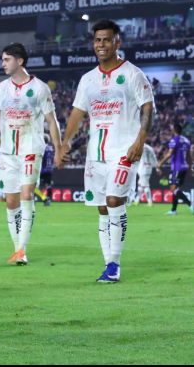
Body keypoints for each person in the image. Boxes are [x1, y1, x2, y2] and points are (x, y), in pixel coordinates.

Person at [59, 19, 155, 283]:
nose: (101, 44)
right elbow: (77, 114)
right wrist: (64, 143)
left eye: (106, 39)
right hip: (96, 155)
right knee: (102, 207)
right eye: (97, 40)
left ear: (117, 42)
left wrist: (140, 140)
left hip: (124, 150)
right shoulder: (88, 79)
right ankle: (108, 264)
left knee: (114, 200)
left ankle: (115, 264)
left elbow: (148, 107)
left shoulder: (133, 74)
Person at [0, 43, 62, 266]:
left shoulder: (40, 88)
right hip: (8, 153)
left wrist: (58, 147)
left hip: (30, 149)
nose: (2, 64)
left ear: (20, 61)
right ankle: (17, 247)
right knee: (11, 201)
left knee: (27, 195)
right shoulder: (0, 89)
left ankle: (21, 250)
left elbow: (51, 121)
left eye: (6, 60)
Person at [157, 123, 192, 215]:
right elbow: (189, 156)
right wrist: (190, 167)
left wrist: (160, 163)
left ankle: (190, 204)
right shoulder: (186, 141)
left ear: (174, 130)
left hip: (177, 167)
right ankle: (173, 210)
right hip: (185, 167)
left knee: (173, 188)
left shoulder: (174, 140)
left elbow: (169, 154)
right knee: (176, 189)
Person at [35, 135, 55, 207]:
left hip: (42, 169)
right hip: (49, 169)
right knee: (48, 186)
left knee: (34, 185)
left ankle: (42, 198)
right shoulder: (51, 148)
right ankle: (49, 200)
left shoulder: (42, 148)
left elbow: (41, 157)